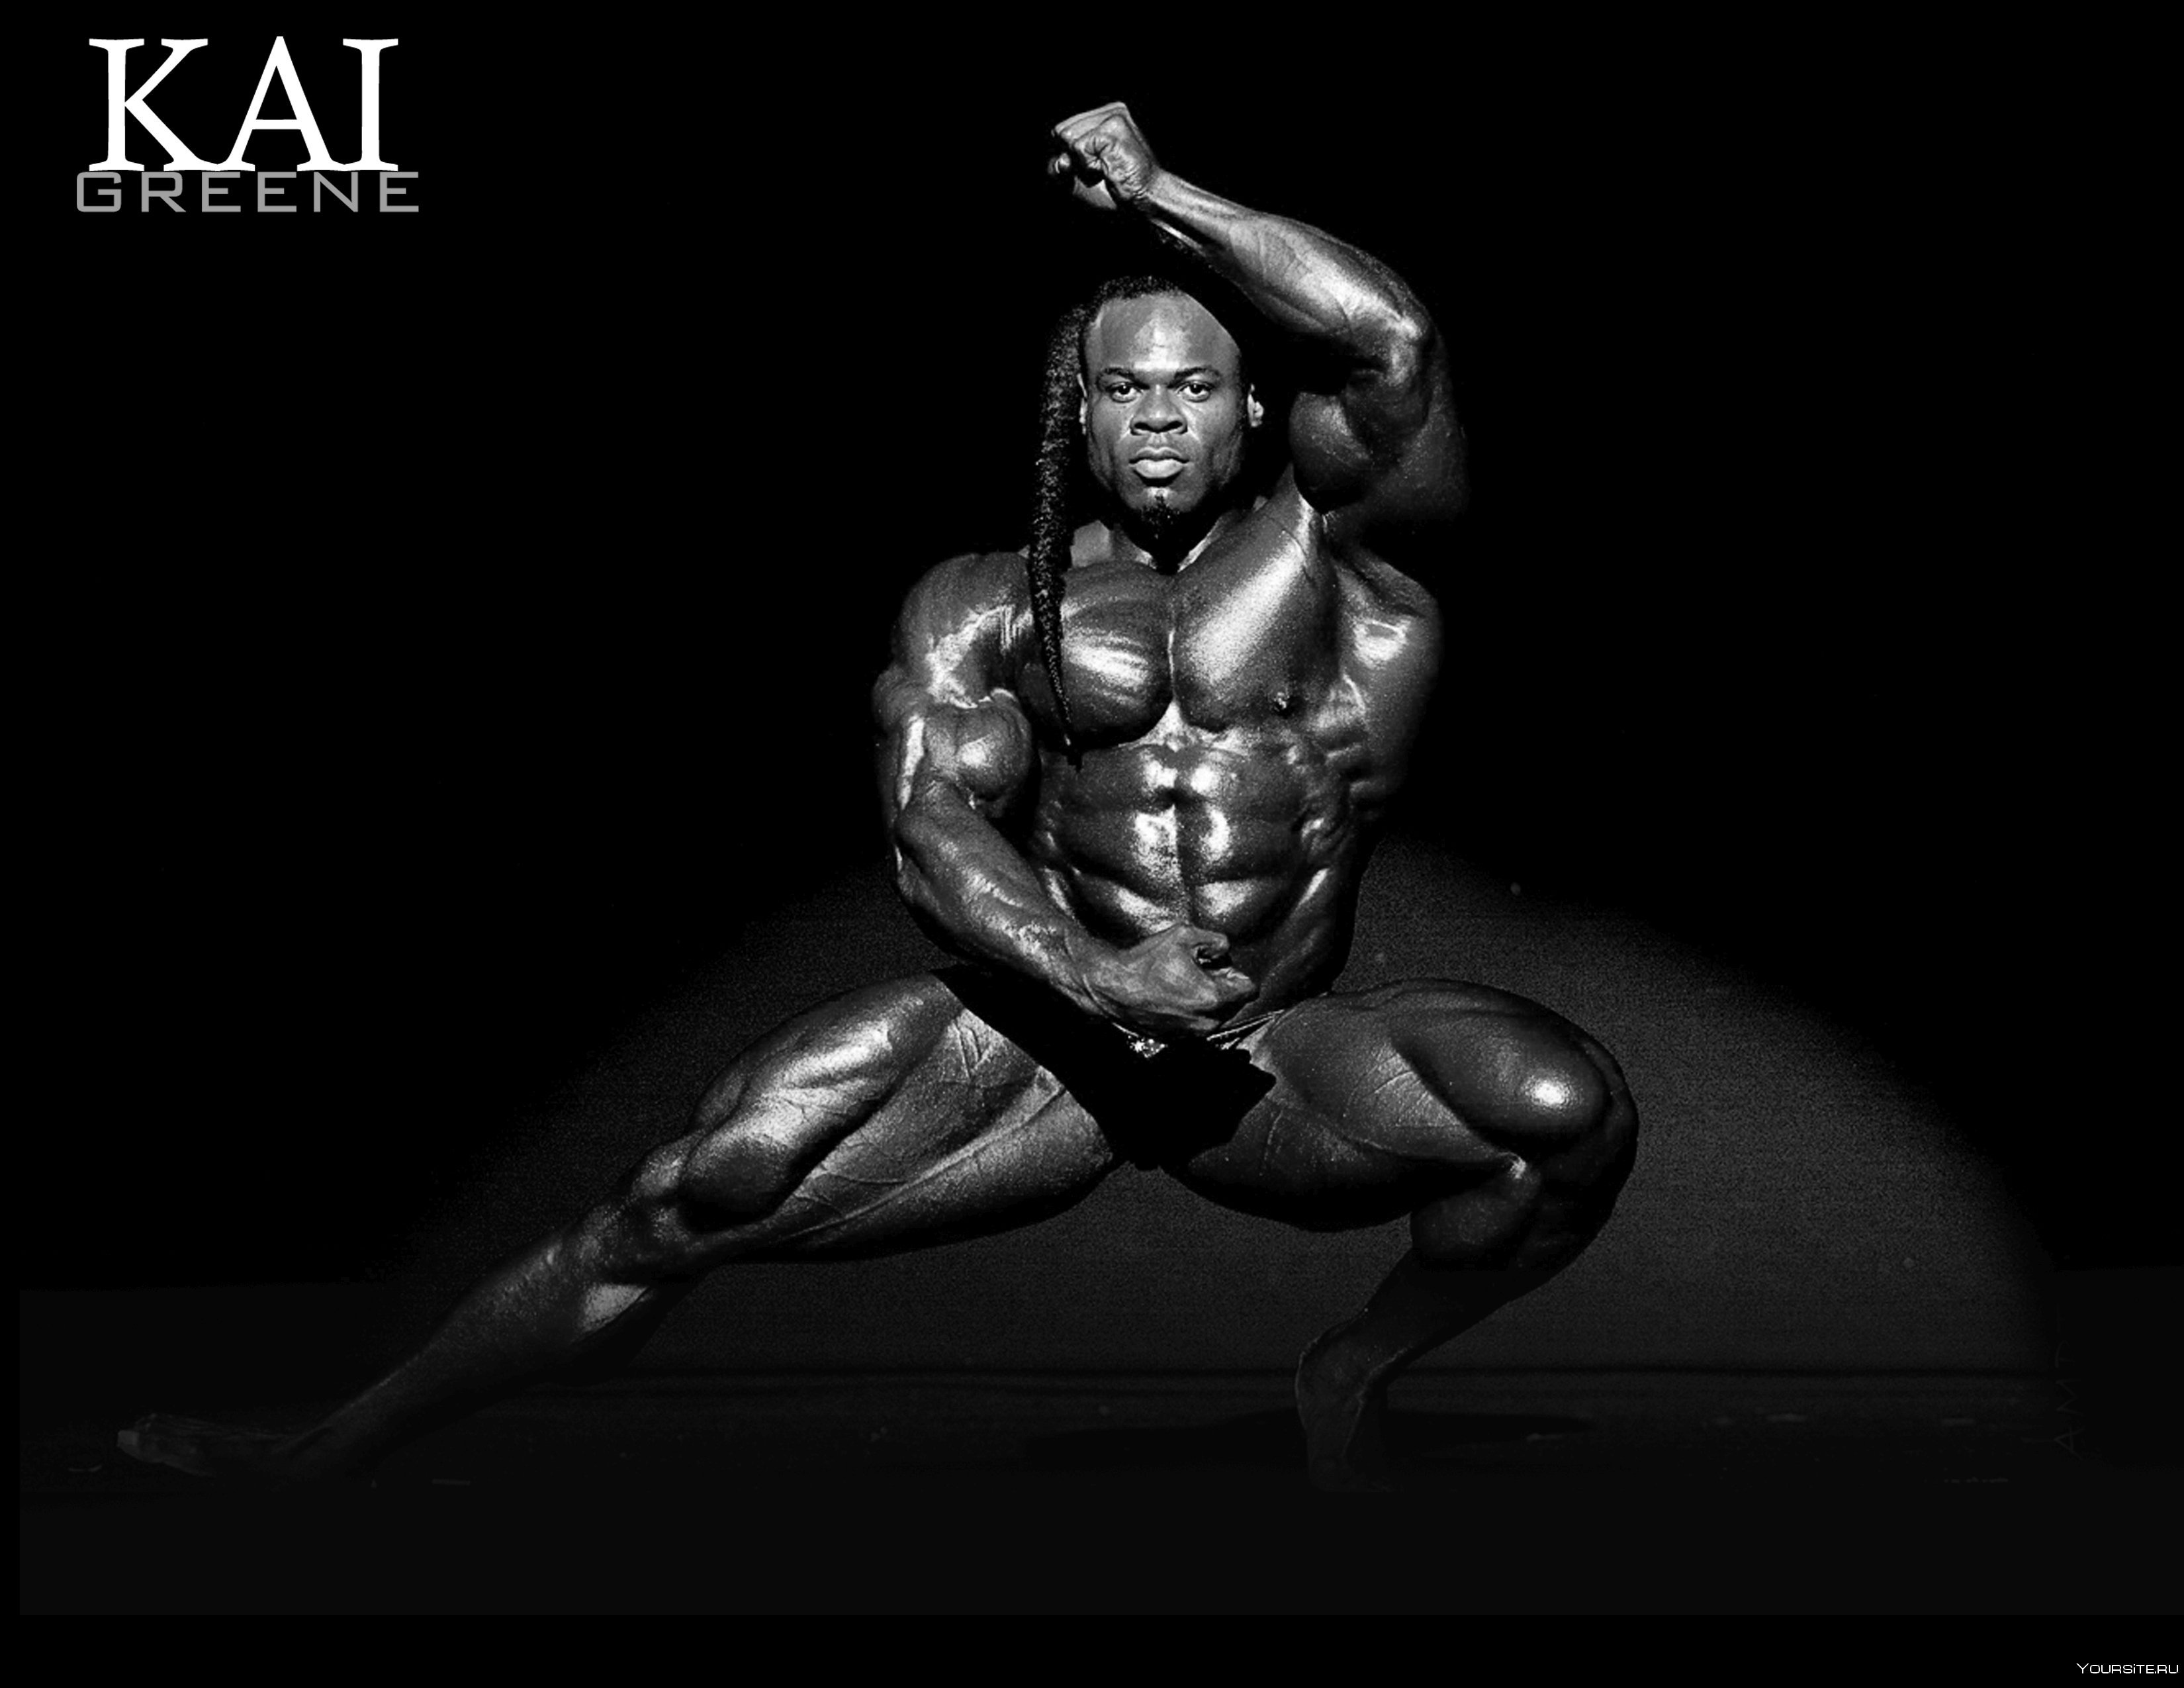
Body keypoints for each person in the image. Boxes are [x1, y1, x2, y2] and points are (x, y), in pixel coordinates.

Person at [122, 103, 1638, 1491]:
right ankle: (324, 1452)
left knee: (1563, 1121)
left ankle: (1352, 1364)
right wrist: (1097, 972)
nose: (1160, 419)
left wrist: (1158, 193)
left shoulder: (1350, 559)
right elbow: (932, 834)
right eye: (1124, 391)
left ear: (1255, 410)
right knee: (691, 1193)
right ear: (1079, 417)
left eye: (1194, 387)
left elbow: (1391, 339)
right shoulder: (985, 601)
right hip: (1055, 1043)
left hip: (1268, 1046)